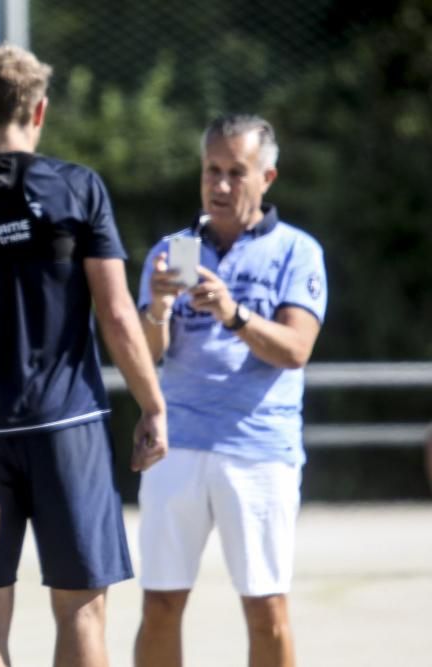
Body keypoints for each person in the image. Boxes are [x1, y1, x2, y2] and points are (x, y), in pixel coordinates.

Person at [0, 44, 168, 667]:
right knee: (82, 610)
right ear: (40, 111)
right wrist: (152, 405)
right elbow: (116, 314)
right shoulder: (79, 187)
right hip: (69, 427)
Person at [134, 114, 327, 667]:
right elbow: (146, 355)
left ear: (267, 177)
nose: (219, 185)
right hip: (179, 445)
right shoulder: (172, 251)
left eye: (235, 173)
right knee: (161, 605)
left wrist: (232, 312)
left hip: (259, 450)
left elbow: (295, 348)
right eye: (211, 171)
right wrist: (157, 308)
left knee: (267, 610)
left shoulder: (298, 251)